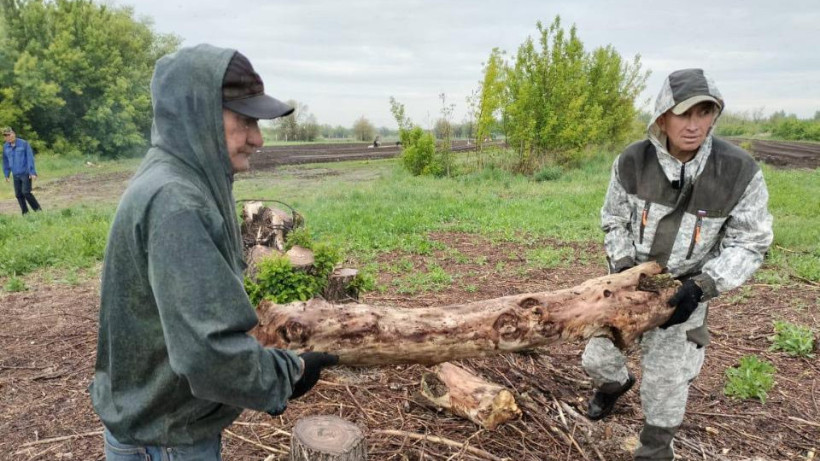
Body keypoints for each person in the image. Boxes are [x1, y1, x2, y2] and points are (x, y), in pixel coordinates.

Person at [90, 44, 338, 461]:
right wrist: (288, 375)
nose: (257, 138)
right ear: (196, 115)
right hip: (166, 439)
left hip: (154, 421)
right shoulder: (177, 201)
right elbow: (207, 353)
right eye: (245, 120)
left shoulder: (176, 177)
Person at [581, 68, 773, 460]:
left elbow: (751, 242)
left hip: (686, 293)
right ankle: (614, 385)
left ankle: (654, 449)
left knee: (665, 384)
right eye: (684, 114)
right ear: (662, 116)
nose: (694, 125)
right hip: (629, 286)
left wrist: (700, 288)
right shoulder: (632, 161)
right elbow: (614, 218)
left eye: (705, 113)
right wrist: (622, 267)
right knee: (596, 359)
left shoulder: (739, 171)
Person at [3, 127, 42, 214]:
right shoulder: (5, 146)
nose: (7, 137)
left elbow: (30, 158)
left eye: (9, 134)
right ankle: (25, 213)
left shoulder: (24, 144)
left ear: (14, 134)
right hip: (15, 174)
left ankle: (38, 210)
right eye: (5, 136)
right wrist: (6, 174)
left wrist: (32, 172)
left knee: (26, 192)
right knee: (18, 195)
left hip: (25, 173)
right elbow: (5, 161)